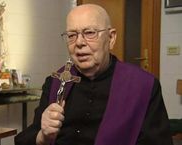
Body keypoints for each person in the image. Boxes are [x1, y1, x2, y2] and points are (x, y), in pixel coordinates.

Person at [15, 4, 173, 145]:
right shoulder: (55, 82)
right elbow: (28, 137)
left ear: (111, 38)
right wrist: (44, 136)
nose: (79, 43)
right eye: (71, 35)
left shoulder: (144, 86)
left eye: (89, 32)